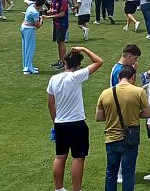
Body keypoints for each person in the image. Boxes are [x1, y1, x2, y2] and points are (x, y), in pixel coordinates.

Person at [47, 46, 104, 191]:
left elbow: (50, 102)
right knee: (78, 158)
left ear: (64, 62)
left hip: (60, 124)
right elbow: (99, 62)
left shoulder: (53, 79)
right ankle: (76, 190)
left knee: (60, 157)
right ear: (78, 65)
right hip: (77, 124)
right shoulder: (76, 77)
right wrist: (84, 49)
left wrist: (55, 121)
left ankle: (58, 189)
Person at [95, 64, 150, 191]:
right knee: (129, 172)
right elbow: (147, 113)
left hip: (111, 138)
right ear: (133, 77)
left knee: (111, 172)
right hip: (130, 138)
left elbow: (99, 117)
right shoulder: (139, 91)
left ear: (119, 77)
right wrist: (134, 114)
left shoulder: (105, 93)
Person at [42, 0, 70, 71]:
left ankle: (63, 61)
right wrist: (46, 12)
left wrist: (49, 17)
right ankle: (60, 60)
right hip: (56, 24)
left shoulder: (63, 0)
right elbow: (52, 9)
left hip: (62, 24)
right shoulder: (54, 0)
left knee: (61, 42)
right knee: (58, 42)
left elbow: (62, 14)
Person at [20, 0, 46, 74]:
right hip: (29, 30)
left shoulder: (31, 5)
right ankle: (27, 69)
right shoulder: (35, 13)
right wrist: (42, 19)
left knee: (25, 48)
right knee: (29, 49)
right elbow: (37, 26)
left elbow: (25, 1)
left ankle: (28, 66)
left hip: (23, 28)